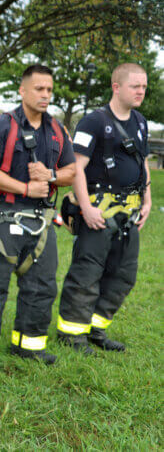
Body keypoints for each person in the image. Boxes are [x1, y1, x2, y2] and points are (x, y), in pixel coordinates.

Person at [0, 64, 76, 371]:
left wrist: (51, 175)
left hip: (41, 222)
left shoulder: (56, 130)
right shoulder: (0, 126)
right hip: (3, 218)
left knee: (41, 287)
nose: (45, 95)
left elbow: (71, 170)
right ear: (22, 90)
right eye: (39, 89)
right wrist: (26, 187)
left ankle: (29, 346)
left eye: (49, 90)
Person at [57, 63, 151, 354]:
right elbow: (77, 168)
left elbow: (142, 163)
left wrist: (147, 201)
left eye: (144, 87)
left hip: (129, 215)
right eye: (135, 86)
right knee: (86, 274)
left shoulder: (141, 122)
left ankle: (96, 330)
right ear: (116, 87)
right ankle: (72, 336)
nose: (141, 91)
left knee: (123, 275)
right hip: (98, 212)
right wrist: (85, 207)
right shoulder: (93, 122)